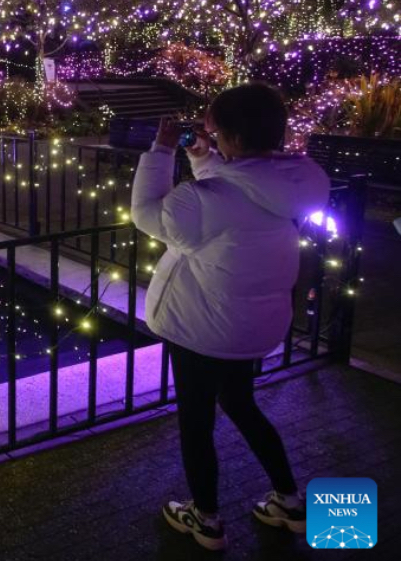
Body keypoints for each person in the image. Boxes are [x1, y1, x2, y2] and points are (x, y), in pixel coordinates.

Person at [131, 83, 330, 552]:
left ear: (234, 138)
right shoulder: (290, 184)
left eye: (215, 131)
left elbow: (146, 213)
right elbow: (241, 189)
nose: (211, 137)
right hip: (253, 325)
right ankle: (289, 500)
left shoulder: (203, 201)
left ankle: (206, 519)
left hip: (202, 328)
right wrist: (204, 159)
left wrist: (161, 151)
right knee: (241, 404)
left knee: (195, 423)